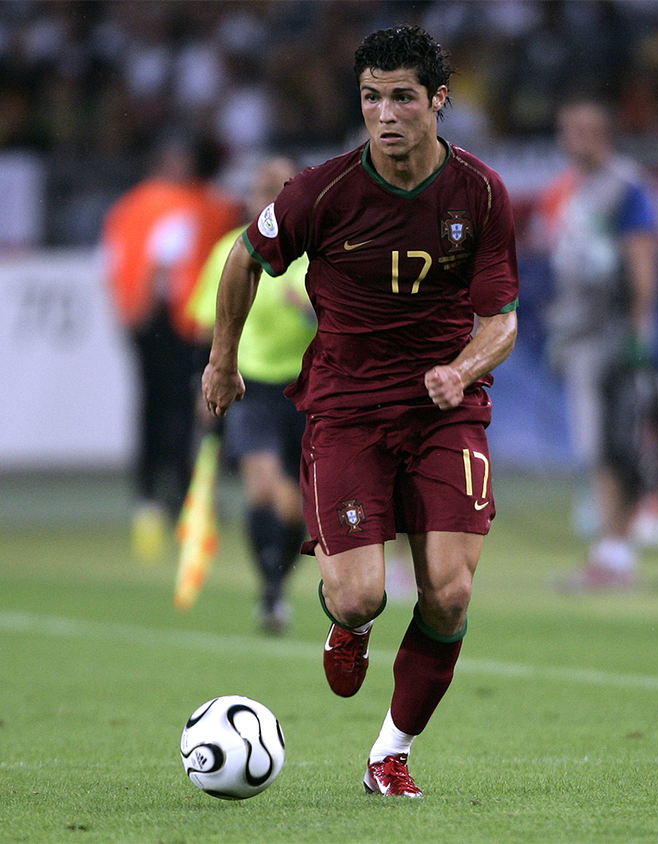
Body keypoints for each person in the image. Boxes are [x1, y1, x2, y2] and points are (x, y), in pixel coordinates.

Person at [202, 26, 519, 798]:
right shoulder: (322, 192)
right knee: (359, 593)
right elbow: (245, 257)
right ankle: (351, 626)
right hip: (346, 413)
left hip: (445, 412)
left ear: (438, 100)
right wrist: (222, 360)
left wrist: (461, 370)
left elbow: (502, 322)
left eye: (402, 97)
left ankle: (389, 754)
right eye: (372, 97)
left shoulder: (479, 194)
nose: (385, 113)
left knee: (450, 592)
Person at [536, 98, 658, 591]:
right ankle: (611, 550)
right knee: (599, 445)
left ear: (605, 133)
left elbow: (642, 261)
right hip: (580, 333)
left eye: (586, 130)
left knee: (613, 444)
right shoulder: (568, 189)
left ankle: (615, 553)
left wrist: (639, 331)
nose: (576, 140)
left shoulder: (624, 186)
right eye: (569, 130)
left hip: (612, 331)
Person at [189, 157, 315, 634]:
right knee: (263, 488)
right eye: (263, 189)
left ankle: (276, 586)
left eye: (281, 189)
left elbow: (343, 321)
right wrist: (207, 381)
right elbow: (209, 325)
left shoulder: (315, 253)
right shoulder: (231, 250)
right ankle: (270, 591)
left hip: (307, 390)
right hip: (252, 386)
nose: (271, 199)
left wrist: (309, 310)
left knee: (293, 507)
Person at [102, 133, 240, 562]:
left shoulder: (134, 205)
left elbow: (116, 260)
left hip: (153, 317)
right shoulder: (187, 204)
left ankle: (154, 495)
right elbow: (164, 259)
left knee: (158, 407)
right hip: (172, 318)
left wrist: (129, 309)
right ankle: (175, 495)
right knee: (179, 407)